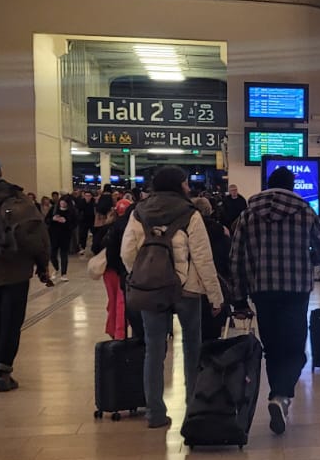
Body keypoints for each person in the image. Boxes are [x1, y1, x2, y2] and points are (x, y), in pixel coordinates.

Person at [230, 164, 320, 434]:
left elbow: (236, 258)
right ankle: (280, 395)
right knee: (295, 349)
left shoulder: (248, 214)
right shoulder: (304, 211)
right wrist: (308, 259)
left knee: (273, 348)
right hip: (295, 290)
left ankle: (279, 395)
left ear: (268, 184)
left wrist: (238, 299)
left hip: (262, 290)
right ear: (292, 186)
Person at [121, 165, 223, 429]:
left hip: (152, 290)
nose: (188, 187)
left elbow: (127, 252)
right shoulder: (190, 213)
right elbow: (203, 258)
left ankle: (155, 413)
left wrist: (143, 276)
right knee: (192, 347)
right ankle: (192, 407)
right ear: (178, 185)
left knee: (154, 349)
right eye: (186, 183)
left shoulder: (138, 212)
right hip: (186, 290)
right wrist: (215, 296)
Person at [0, 155, 52, 391]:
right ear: (0, 172)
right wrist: (43, 266)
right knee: (11, 320)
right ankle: (3, 369)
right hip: (17, 269)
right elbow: (37, 236)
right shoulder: (19, 199)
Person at [192, 195, 233, 343]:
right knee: (213, 334)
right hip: (217, 284)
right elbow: (229, 259)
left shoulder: (186, 231)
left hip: (192, 288)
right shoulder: (221, 231)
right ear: (210, 211)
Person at [100, 197, 132, 341]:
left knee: (112, 301)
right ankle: (120, 332)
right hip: (123, 270)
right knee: (121, 303)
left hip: (109, 271)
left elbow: (96, 246)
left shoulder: (109, 227)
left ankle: (112, 329)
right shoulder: (130, 227)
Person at [47, 194, 77, 278]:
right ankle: (56, 268)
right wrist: (53, 219)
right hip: (54, 235)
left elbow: (75, 224)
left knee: (64, 254)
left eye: (64, 203)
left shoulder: (72, 211)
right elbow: (46, 219)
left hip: (65, 235)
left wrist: (65, 221)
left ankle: (64, 273)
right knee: (52, 254)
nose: (62, 204)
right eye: (61, 203)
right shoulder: (54, 209)